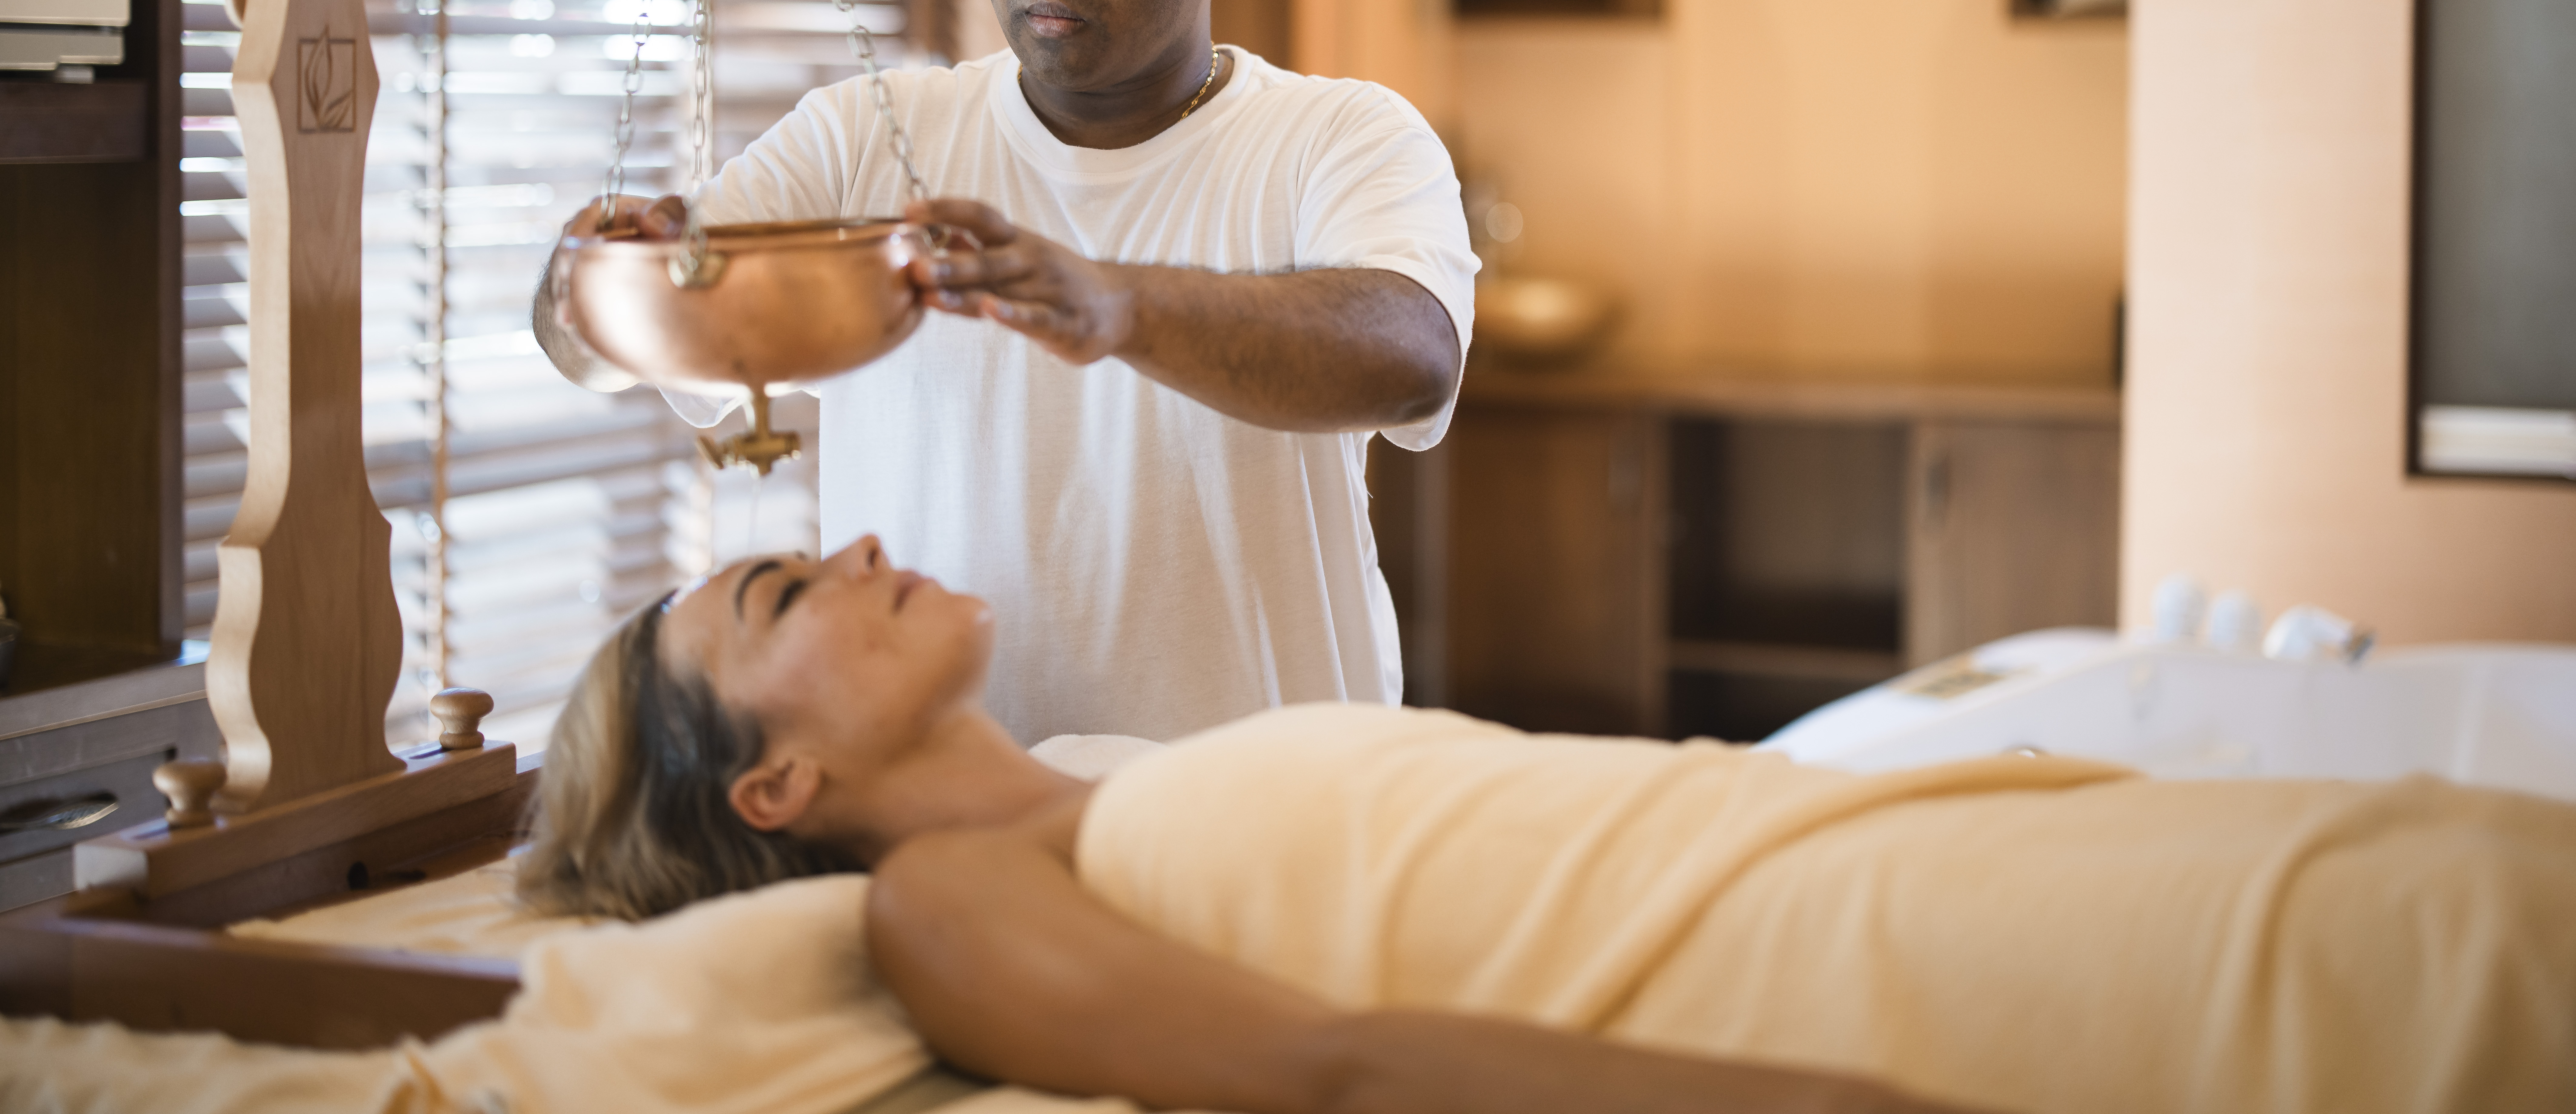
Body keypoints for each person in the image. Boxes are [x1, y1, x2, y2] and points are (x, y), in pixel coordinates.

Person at [521, 542, 2576, 1114]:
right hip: (1900, 982)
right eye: (784, 598)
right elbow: (1325, 1073)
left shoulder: (1116, 763)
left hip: (1930, 855)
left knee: (2475, 882)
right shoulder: (956, 903)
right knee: (2463, 958)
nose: (858, 547)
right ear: (773, 791)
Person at [533, 0, 1475, 745]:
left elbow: (1411, 359)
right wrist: (592, 283)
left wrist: (1115, 304)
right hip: (946, 804)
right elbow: (609, 352)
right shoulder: (866, 137)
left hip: (1263, 812)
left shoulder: (1336, 135)